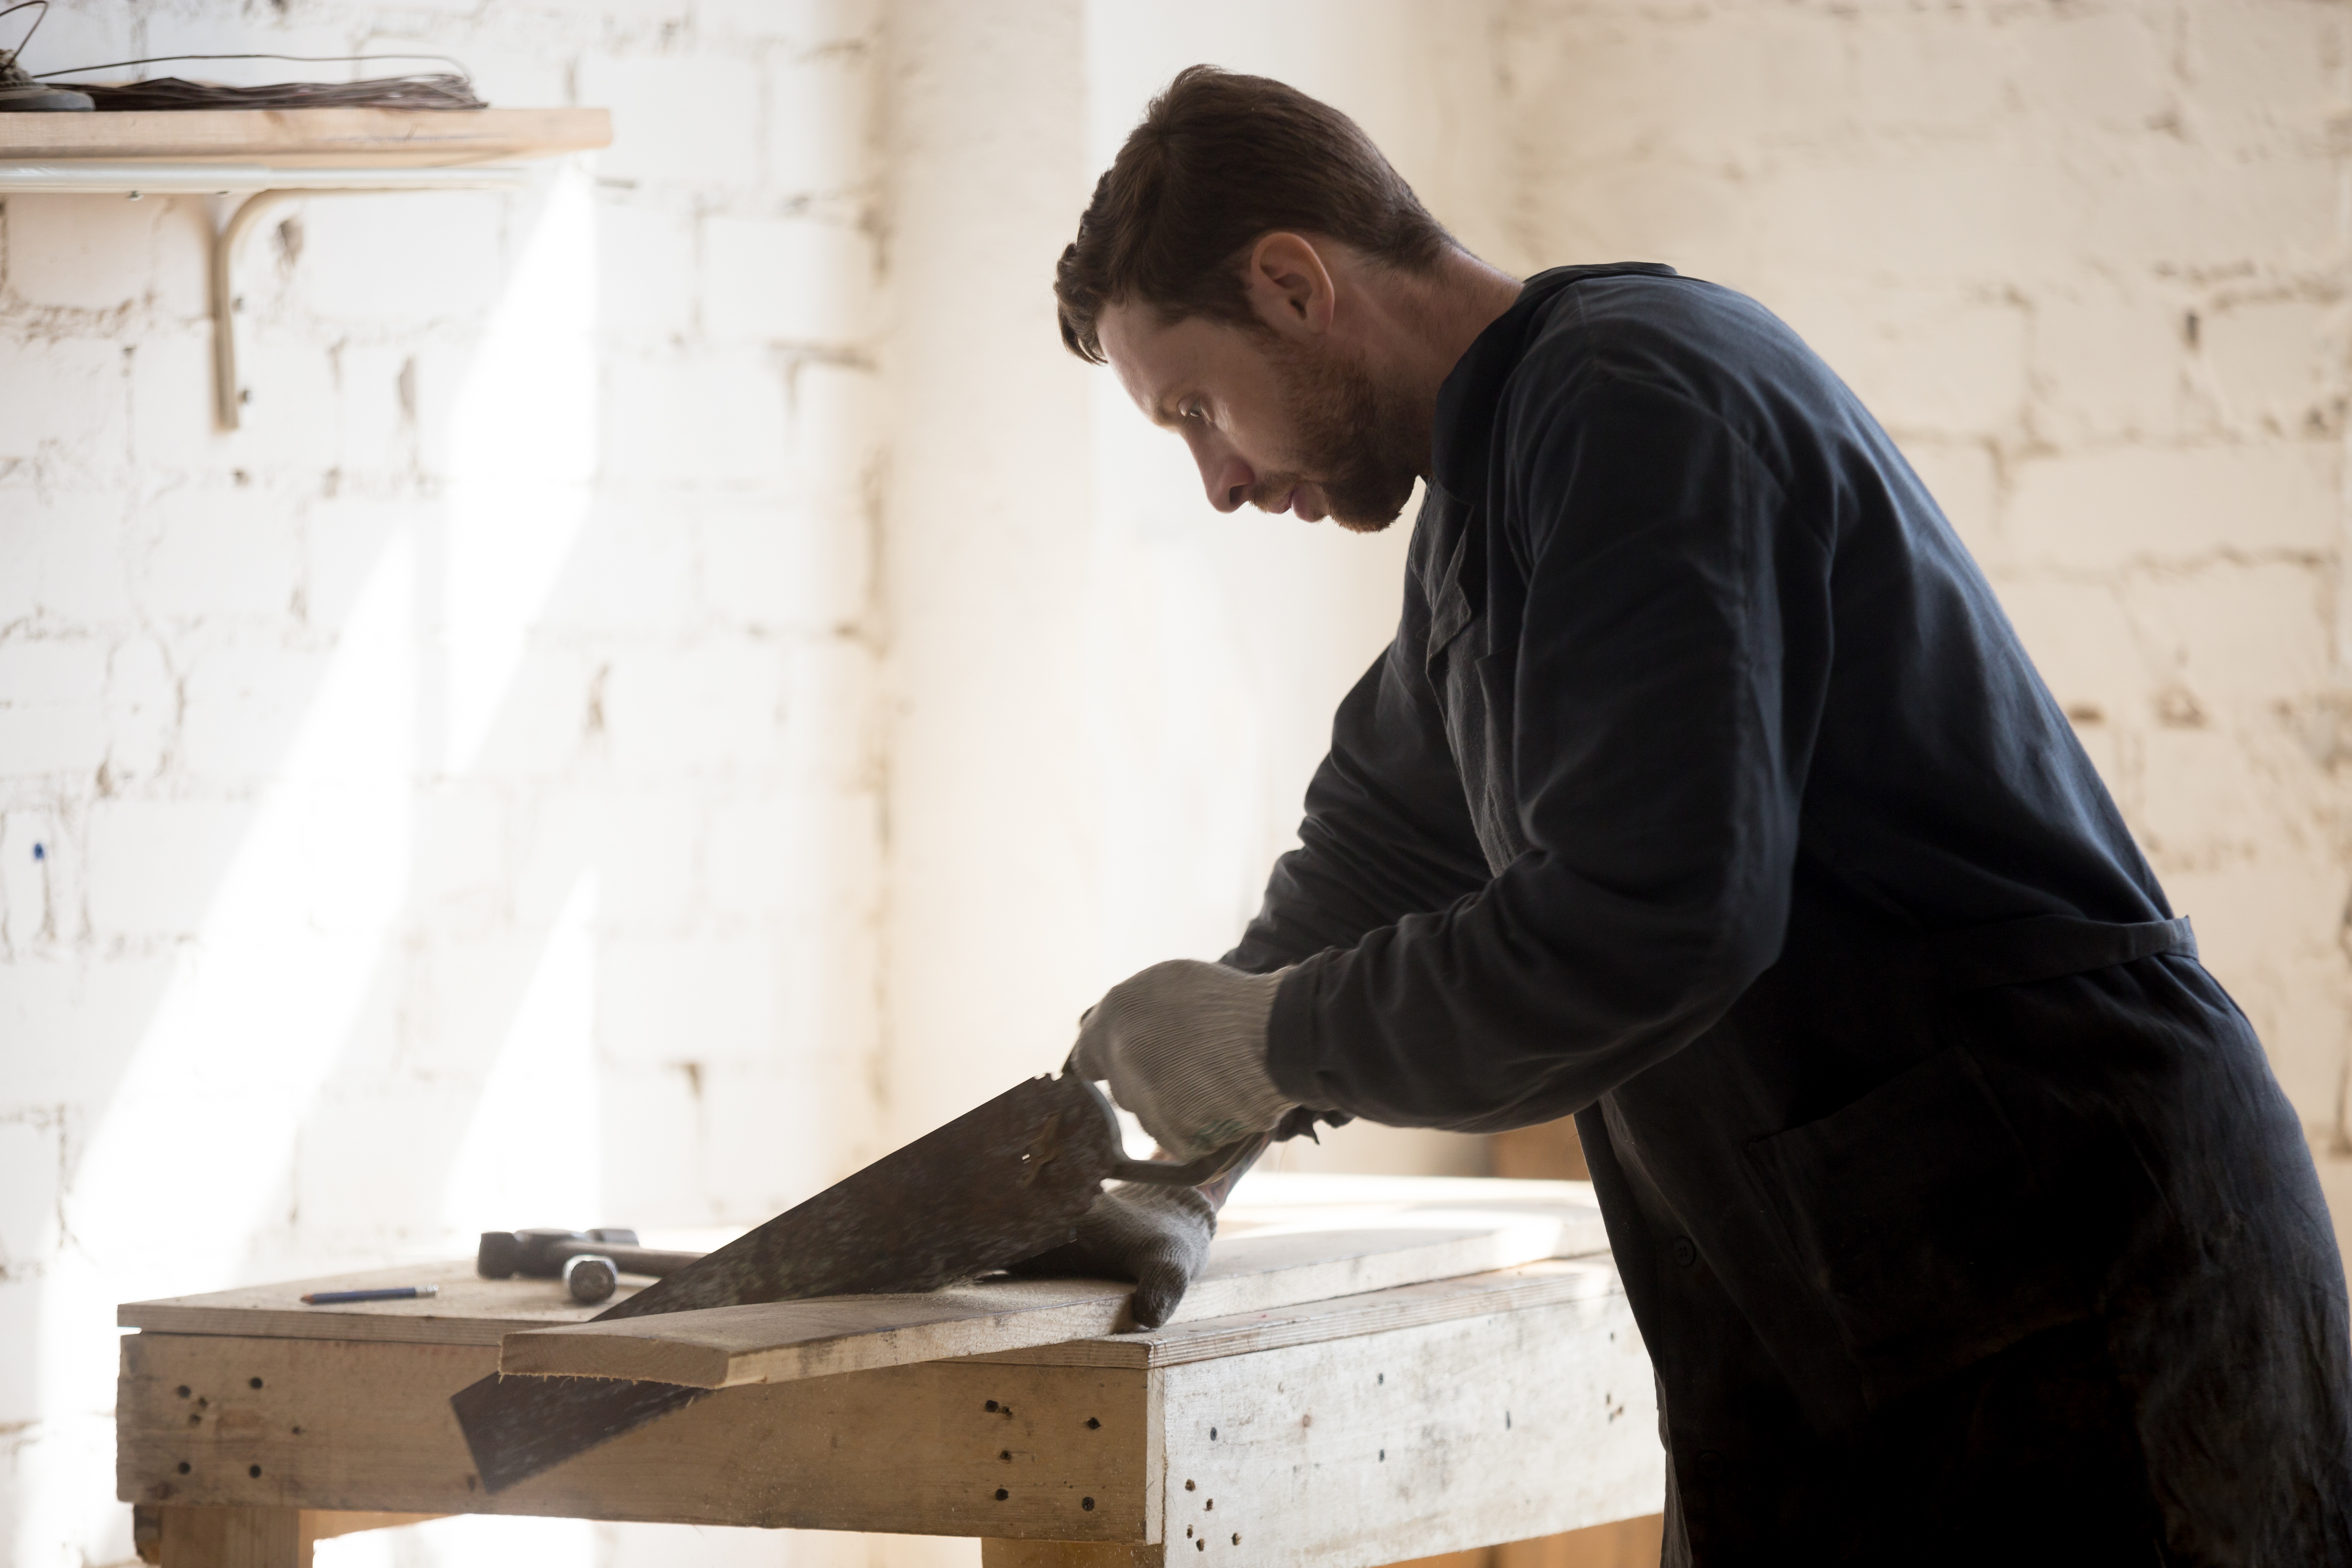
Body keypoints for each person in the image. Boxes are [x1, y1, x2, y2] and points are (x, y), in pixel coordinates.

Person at [1039, 65, 2352, 1564]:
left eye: (1198, 409)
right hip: (1872, 1313)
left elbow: (1653, 909)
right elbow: (1382, 848)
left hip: (2071, 1285)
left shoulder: (1631, 396)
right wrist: (1202, 1138)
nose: (1215, 481)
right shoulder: (1495, 496)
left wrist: (1268, 1042)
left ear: (1293, 283)